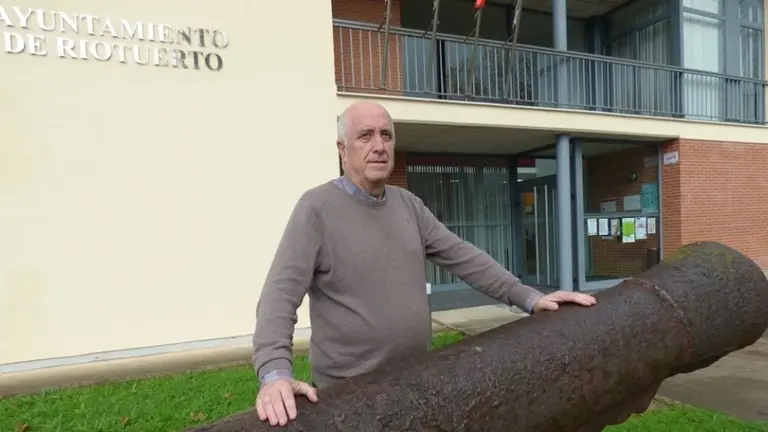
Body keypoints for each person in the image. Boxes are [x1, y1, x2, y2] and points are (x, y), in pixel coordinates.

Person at [252, 101, 597, 426]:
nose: (379, 145)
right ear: (343, 149)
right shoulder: (316, 209)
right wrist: (275, 374)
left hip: (413, 381)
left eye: (386, 135)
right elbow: (279, 297)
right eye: (365, 135)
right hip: (347, 394)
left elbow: (463, 256)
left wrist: (528, 297)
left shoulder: (408, 205)